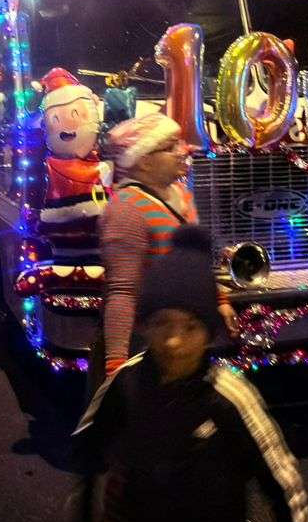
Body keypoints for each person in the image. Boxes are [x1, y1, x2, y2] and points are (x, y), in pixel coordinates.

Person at [71, 226, 308, 522]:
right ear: (146, 326)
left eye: (190, 326)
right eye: (162, 323)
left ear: (209, 332)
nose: (174, 341)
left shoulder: (230, 396)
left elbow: (286, 488)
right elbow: (87, 452)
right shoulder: (126, 383)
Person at [97, 115, 237, 388]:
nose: (181, 151)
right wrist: (116, 366)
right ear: (145, 161)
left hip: (187, 335)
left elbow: (196, 260)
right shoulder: (127, 209)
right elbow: (122, 292)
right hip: (152, 341)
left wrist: (219, 299)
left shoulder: (180, 195)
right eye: (170, 147)